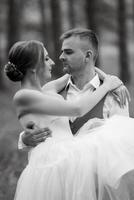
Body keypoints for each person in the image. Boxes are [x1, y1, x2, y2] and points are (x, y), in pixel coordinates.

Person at [5, 39, 134, 200]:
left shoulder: (47, 90)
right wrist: (107, 85)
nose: (52, 61)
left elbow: (81, 70)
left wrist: (112, 80)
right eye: (46, 58)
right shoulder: (23, 96)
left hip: (69, 159)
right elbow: (77, 109)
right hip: (52, 164)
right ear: (33, 68)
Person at [19, 28, 130, 148]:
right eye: (62, 52)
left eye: (68, 52)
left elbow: (122, 143)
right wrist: (25, 139)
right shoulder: (52, 91)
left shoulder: (114, 95)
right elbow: (37, 129)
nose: (61, 57)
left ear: (87, 56)